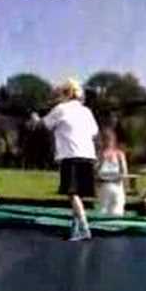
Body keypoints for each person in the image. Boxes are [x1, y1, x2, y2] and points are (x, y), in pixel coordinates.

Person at [32, 79, 99, 241]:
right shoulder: (86, 111)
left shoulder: (60, 109)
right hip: (88, 155)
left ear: (65, 93)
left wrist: (34, 119)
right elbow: (94, 132)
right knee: (78, 195)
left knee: (72, 193)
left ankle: (83, 228)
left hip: (71, 155)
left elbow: (44, 125)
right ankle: (75, 227)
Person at [96, 128, 128, 216]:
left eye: (109, 139)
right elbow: (96, 171)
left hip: (116, 184)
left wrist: (124, 183)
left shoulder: (119, 154)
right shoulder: (101, 154)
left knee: (117, 207)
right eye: (105, 140)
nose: (108, 142)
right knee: (105, 208)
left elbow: (124, 171)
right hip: (105, 185)